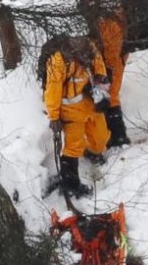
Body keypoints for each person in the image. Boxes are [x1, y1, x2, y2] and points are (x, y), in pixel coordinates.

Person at [33, 0, 132, 147]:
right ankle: (102, 134)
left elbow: (112, 50)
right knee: (103, 91)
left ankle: (118, 138)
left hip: (114, 56)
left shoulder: (112, 15)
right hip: (98, 49)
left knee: (111, 94)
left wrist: (104, 73)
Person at [41, 35, 111, 197]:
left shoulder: (91, 49)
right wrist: (54, 116)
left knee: (100, 140)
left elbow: (100, 68)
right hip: (71, 111)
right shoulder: (59, 60)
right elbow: (52, 90)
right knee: (73, 147)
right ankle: (71, 184)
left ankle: (91, 152)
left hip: (91, 107)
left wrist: (102, 89)